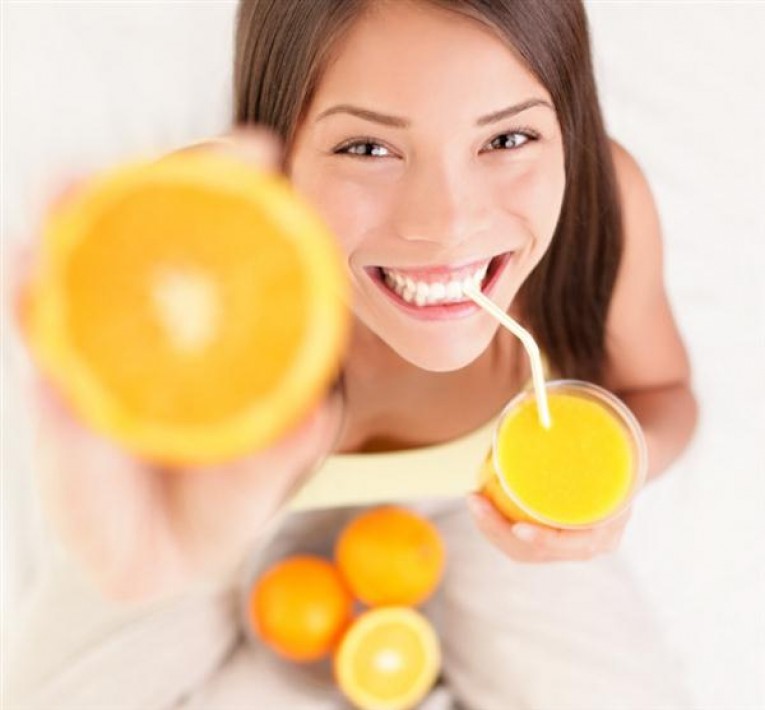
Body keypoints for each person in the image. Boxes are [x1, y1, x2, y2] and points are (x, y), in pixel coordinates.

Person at [5, 0, 698, 708]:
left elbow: (663, 393)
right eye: (367, 149)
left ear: (570, 129)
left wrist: (606, 486)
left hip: (484, 505)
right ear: (277, 150)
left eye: (508, 138)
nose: (445, 225)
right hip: (219, 499)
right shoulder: (201, 230)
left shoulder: (604, 205)